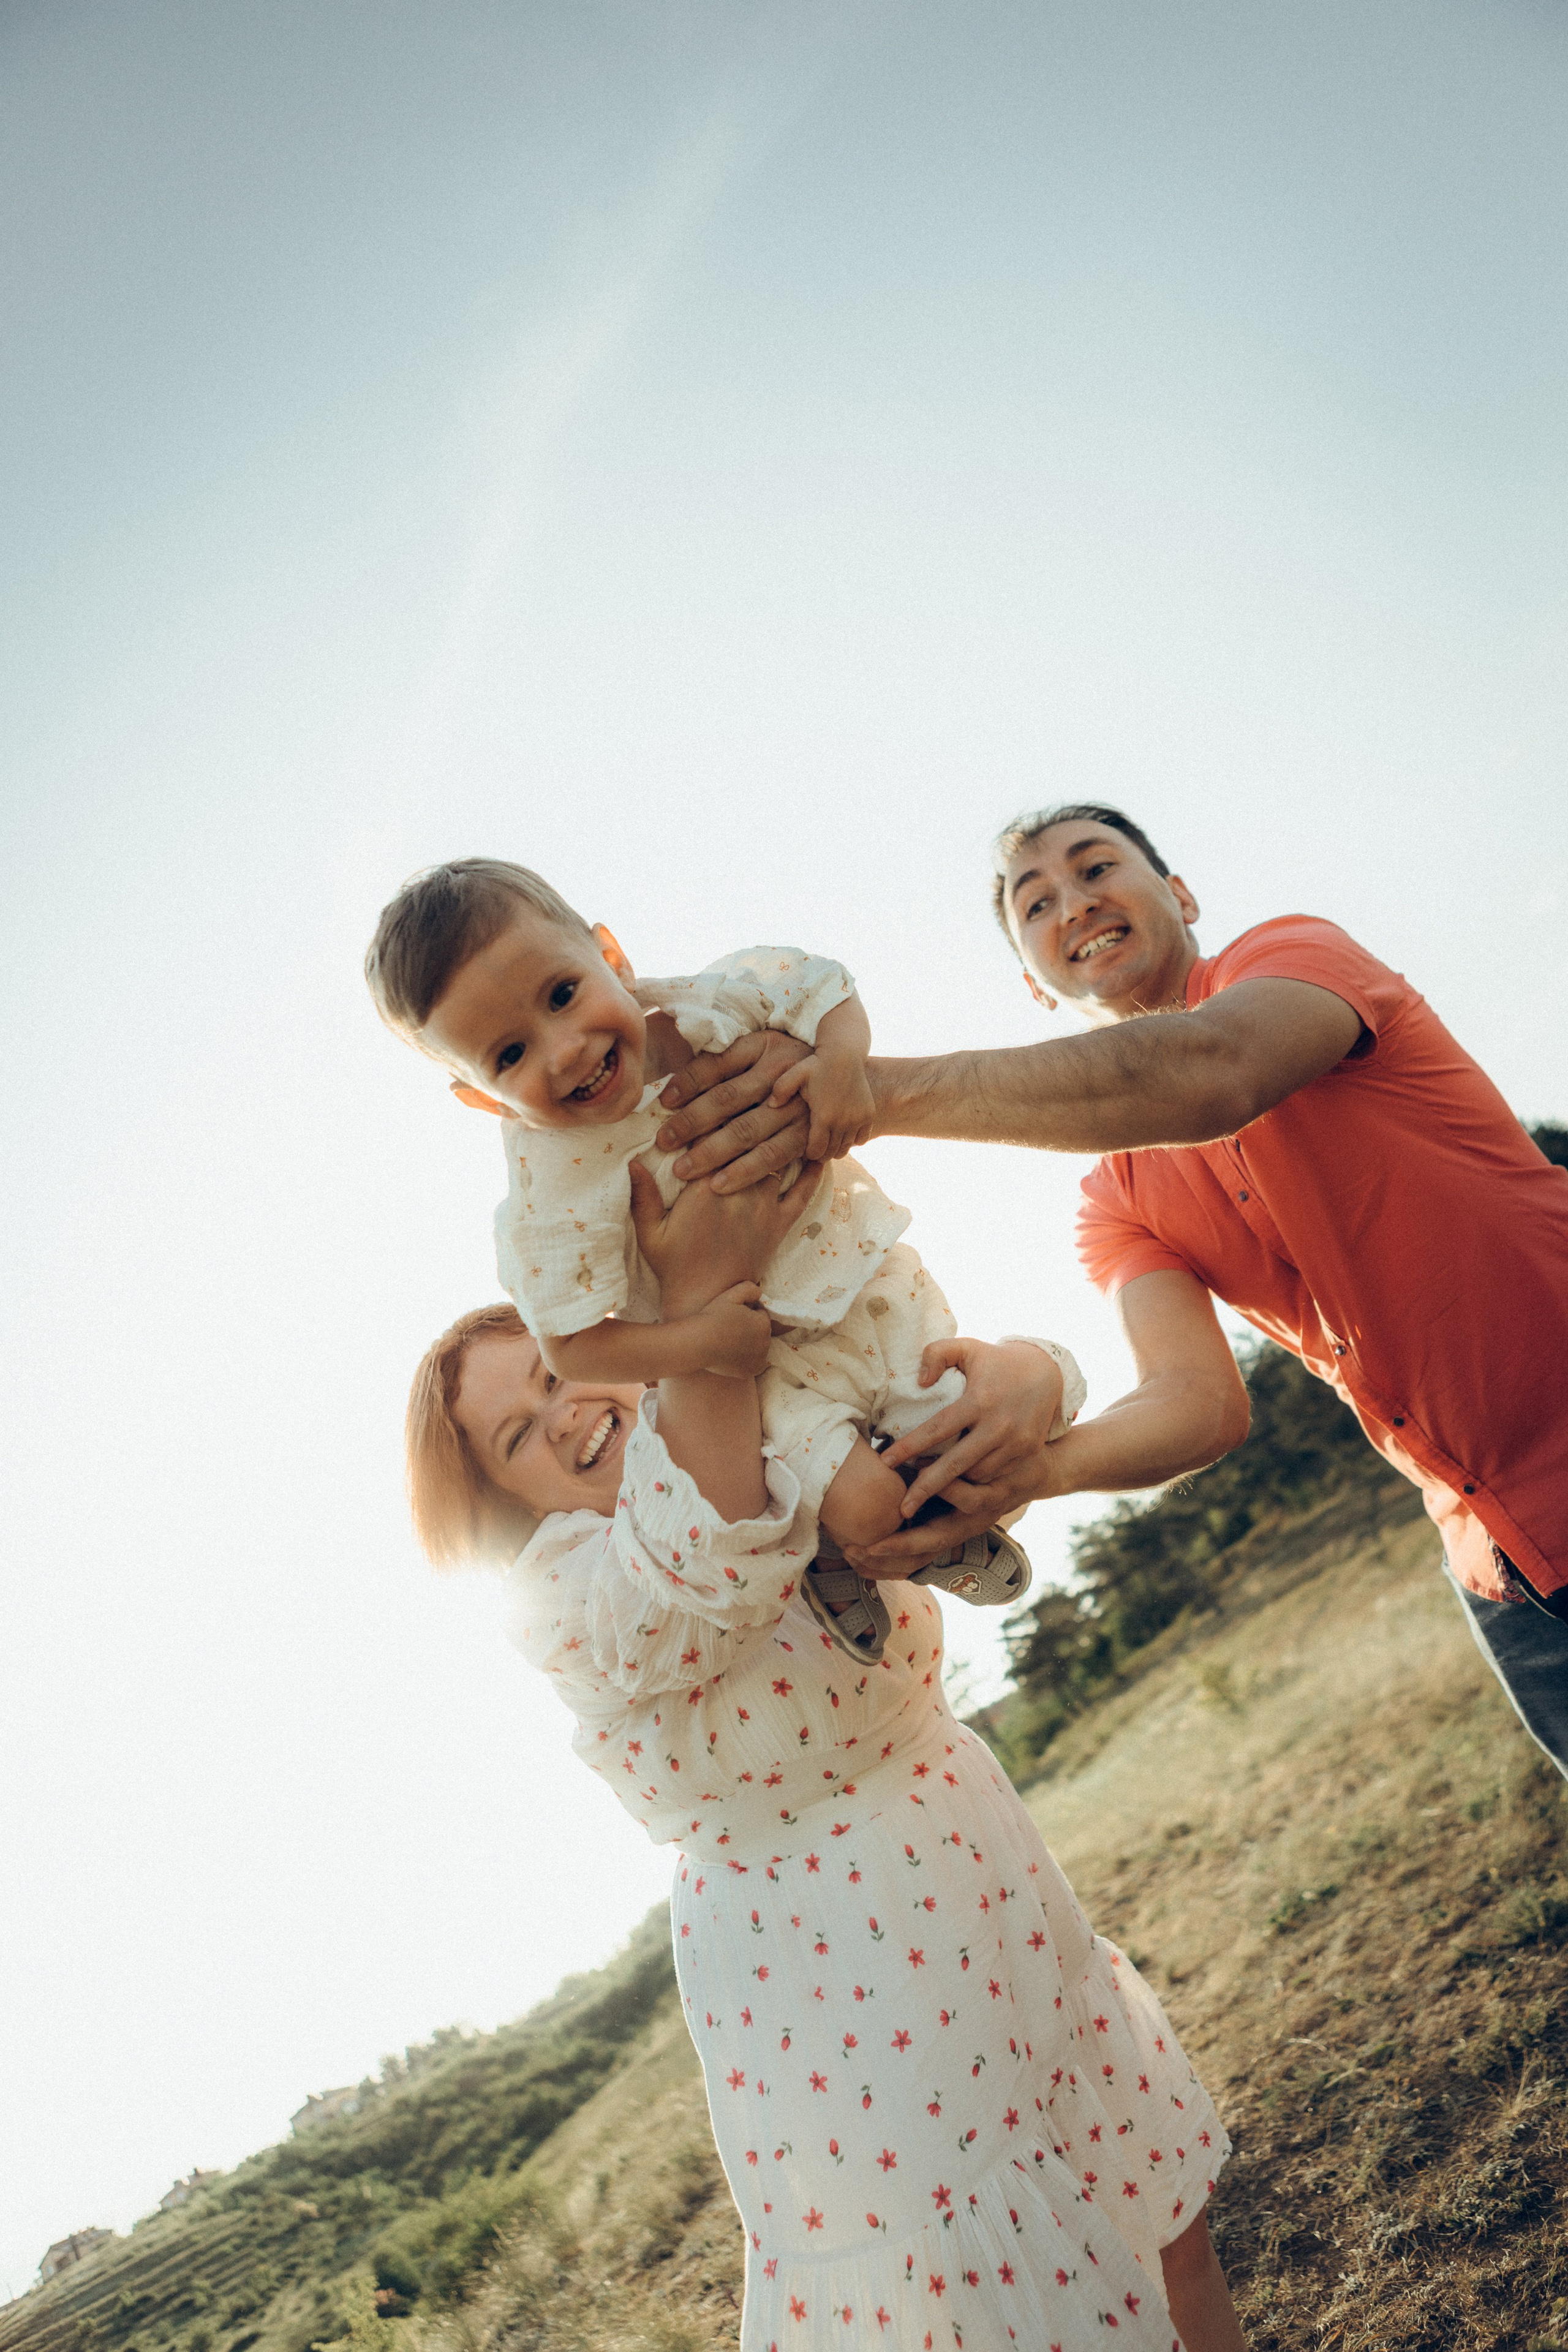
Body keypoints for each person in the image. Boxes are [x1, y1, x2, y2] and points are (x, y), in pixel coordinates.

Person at [404, 1164, 1249, 2351]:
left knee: (1147, 2210)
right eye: (515, 1433)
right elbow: (707, 1547)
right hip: (829, 1959)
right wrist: (704, 1327)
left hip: (964, 1836)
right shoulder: (569, 1593)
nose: (560, 1414)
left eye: (554, 1370)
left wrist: (1027, 1372)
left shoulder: (754, 1416)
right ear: (502, 1500)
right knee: (991, 2300)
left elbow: (920, 1384)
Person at [650, 804, 1568, 1777]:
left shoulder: (1294, 956)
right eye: (1035, 902)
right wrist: (1035, 1470)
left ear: (1179, 895)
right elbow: (1198, 1403)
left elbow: (1214, 1069)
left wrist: (865, 1091)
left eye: (1096, 869)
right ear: (1034, 984)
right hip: (1503, 1567)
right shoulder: (1115, 1199)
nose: (1074, 903)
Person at [366, 858, 1086, 1654]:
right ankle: (844, 1552)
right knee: (868, 1510)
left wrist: (843, 1066)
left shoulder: (710, 1002)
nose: (565, 1052)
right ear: (480, 1099)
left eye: (563, 994)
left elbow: (824, 989)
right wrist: (696, 1343)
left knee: (973, 1440)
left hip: (862, 1282)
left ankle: (899, 1540)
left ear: (611, 955)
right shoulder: (545, 1195)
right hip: (766, 1365)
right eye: (509, 1056)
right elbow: (567, 1341)